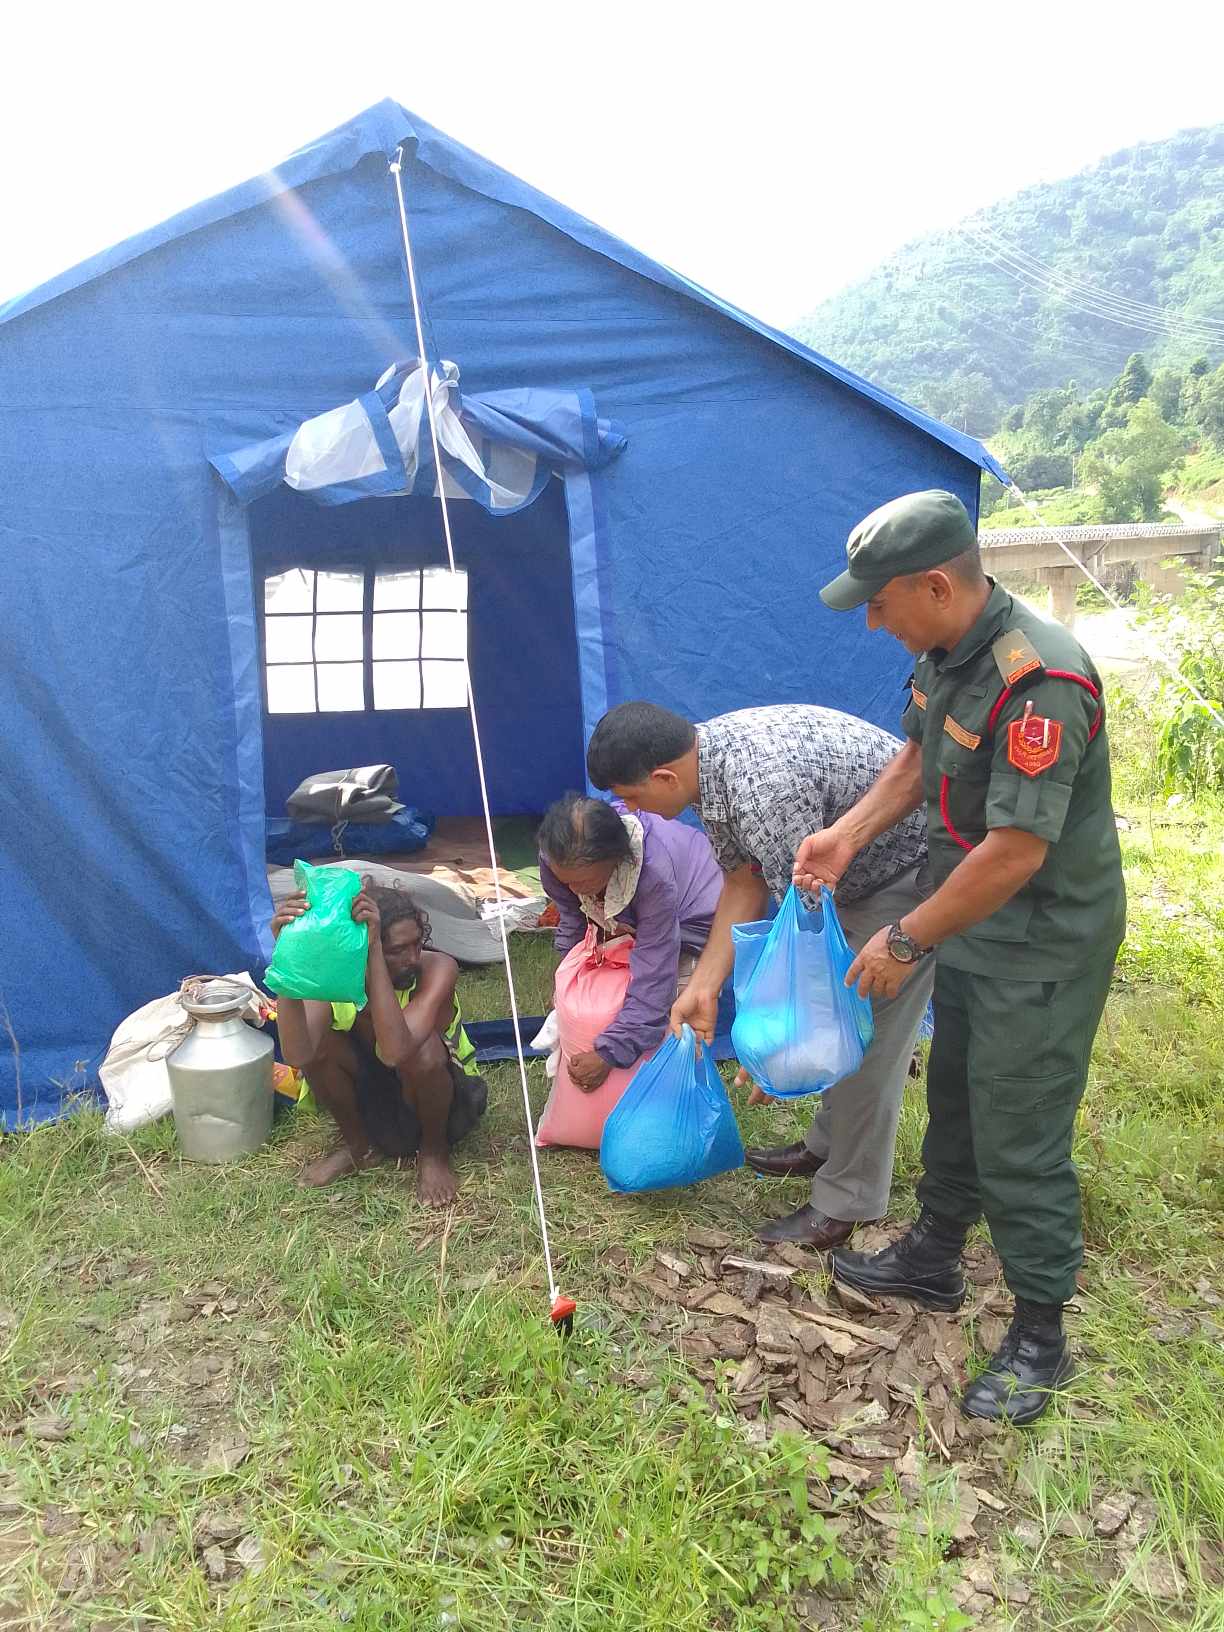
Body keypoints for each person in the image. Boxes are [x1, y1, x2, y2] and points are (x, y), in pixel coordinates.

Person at [800, 488, 1125, 1425]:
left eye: (879, 600)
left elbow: (1018, 852)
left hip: (1043, 935)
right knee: (959, 1091)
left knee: (1020, 1125)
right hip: (976, 918)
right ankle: (936, 1255)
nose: (870, 618)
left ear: (936, 585)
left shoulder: (1040, 682)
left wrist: (906, 935)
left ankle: (1039, 1336)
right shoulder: (946, 654)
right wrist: (845, 837)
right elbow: (914, 759)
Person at [585, 701, 934, 1247]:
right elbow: (745, 880)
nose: (633, 811)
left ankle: (848, 1200)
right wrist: (703, 987)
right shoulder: (708, 768)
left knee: (857, 1033)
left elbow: (805, 926)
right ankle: (826, 1143)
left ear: (663, 777)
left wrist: (778, 1042)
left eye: (632, 797)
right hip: (841, 883)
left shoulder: (762, 791)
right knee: (836, 1022)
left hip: (908, 872)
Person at [272, 882, 487, 1206]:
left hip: (445, 1101)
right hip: (378, 1097)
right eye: (397, 950)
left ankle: (433, 1152)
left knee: (424, 1050)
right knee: (323, 1047)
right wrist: (288, 959)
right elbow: (298, 1053)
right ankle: (359, 1147)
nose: (412, 958)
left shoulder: (438, 968)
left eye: (416, 944)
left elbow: (396, 1050)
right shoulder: (338, 979)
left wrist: (374, 956)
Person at [537, 792, 722, 1087]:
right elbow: (573, 919)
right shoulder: (554, 859)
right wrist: (566, 983)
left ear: (618, 862)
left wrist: (611, 1053)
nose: (574, 889)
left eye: (584, 882)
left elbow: (655, 970)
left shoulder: (653, 874)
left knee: (678, 1020)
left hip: (697, 917)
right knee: (606, 998)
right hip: (638, 916)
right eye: (566, 881)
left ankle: (678, 1099)